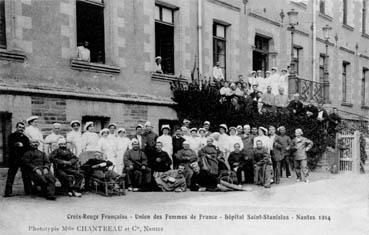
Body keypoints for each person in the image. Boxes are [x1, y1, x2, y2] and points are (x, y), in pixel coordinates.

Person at [4, 122, 31, 197]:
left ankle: (28, 191)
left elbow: (28, 148)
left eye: (23, 128)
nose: (21, 129)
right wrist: (17, 144)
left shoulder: (25, 138)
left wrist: (21, 145)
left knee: (26, 175)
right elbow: (10, 145)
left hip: (23, 159)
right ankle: (8, 192)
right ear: (16, 128)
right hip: (14, 159)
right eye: (20, 127)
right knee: (11, 175)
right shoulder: (11, 136)